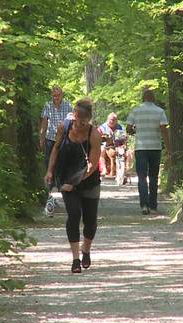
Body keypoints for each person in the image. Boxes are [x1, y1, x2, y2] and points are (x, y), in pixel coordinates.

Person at [45, 99, 102, 273]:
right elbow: (55, 148)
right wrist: (50, 171)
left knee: (90, 221)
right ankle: (76, 259)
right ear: (74, 115)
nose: (80, 123)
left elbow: (92, 165)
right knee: (74, 214)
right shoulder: (65, 127)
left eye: (84, 120)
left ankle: (86, 250)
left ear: (89, 118)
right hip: (66, 177)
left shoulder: (94, 134)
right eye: (78, 118)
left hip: (88, 180)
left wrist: (74, 182)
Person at [126, 88, 170, 215]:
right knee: (153, 176)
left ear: (143, 97)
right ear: (153, 98)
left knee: (142, 177)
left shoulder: (136, 110)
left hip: (141, 148)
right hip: (155, 147)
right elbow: (164, 131)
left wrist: (136, 131)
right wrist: (168, 148)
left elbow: (128, 129)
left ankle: (144, 205)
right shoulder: (160, 111)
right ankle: (153, 205)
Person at [39, 86, 73, 216]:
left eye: (58, 95)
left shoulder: (67, 106)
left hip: (64, 139)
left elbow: (71, 123)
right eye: (53, 95)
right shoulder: (47, 106)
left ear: (61, 95)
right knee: (49, 166)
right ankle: (50, 197)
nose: (55, 97)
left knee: (63, 166)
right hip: (50, 139)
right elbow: (44, 123)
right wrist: (41, 138)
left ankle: (63, 194)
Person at [97, 112, 124, 177]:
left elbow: (122, 136)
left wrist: (123, 138)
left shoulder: (119, 127)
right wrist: (103, 138)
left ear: (116, 120)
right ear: (107, 119)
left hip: (117, 144)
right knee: (102, 150)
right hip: (104, 145)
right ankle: (104, 169)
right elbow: (97, 138)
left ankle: (124, 169)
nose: (112, 121)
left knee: (128, 152)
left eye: (114, 120)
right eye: (110, 119)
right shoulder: (102, 127)